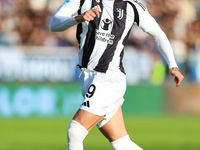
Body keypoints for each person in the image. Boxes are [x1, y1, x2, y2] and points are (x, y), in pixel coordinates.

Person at [50, 0, 184, 149]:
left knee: (75, 132)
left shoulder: (131, 6)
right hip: (88, 77)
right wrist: (78, 18)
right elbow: (54, 23)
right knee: (121, 142)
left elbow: (158, 34)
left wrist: (172, 65)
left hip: (109, 77)